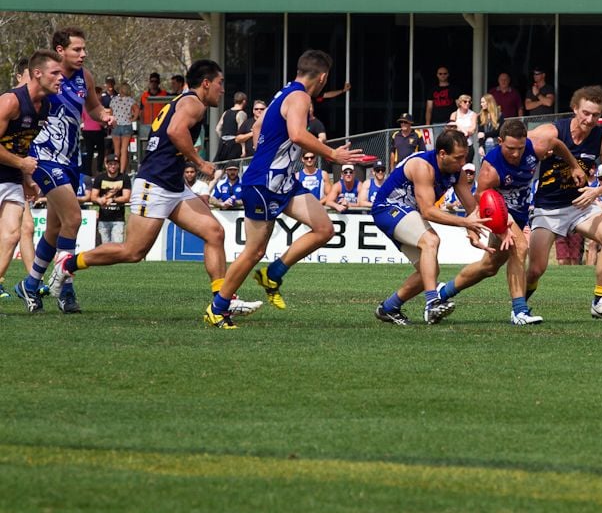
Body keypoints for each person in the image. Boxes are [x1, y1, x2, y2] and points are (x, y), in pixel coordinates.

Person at [47, 59, 261, 321]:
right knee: (133, 252)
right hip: (155, 184)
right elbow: (174, 131)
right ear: (206, 83)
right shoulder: (193, 103)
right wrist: (199, 161)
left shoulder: (187, 102)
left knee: (214, 233)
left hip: (172, 184)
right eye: (220, 83)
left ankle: (222, 300)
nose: (223, 89)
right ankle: (68, 264)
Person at [206, 49, 366, 327]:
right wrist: (332, 155)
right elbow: (297, 134)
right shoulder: (301, 97)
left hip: (283, 182)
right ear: (323, 76)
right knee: (254, 251)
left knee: (324, 229)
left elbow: (258, 125)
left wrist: (266, 149)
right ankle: (217, 308)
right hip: (264, 183)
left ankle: (273, 274)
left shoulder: (284, 93)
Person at [435, 119, 584, 325]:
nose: (515, 154)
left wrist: (574, 166)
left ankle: (442, 292)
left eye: (520, 148)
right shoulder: (490, 170)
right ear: (499, 141)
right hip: (497, 212)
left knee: (489, 267)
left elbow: (557, 144)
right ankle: (519, 311)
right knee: (520, 247)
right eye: (510, 148)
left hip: (520, 212)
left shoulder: (537, 146)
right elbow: (481, 198)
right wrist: (503, 226)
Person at [16, 29, 116, 315]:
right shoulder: (42, 76)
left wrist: (105, 116)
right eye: (77, 50)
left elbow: (94, 109)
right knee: (73, 217)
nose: (83, 54)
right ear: (60, 51)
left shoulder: (85, 78)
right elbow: (20, 105)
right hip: (43, 157)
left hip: (71, 160)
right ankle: (65, 288)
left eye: (84, 49)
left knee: (55, 229)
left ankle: (30, 284)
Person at [371, 129, 491, 325]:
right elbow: (427, 211)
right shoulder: (423, 166)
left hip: (408, 213)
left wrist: (474, 231)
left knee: (429, 272)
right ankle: (432, 304)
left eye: (465, 158)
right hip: (388, 209)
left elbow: (471, 208)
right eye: (458, 158)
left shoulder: (456, 172)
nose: (462, 164)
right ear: (442, 154)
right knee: (431, 240)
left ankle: (388, 308)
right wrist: (465, 223)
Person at [526, 85, 602, 321]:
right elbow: (521, 148)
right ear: (574, 109)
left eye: (596, 115)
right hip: (548, 207)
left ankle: (600, 301)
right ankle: (520, 304)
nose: (590, 120)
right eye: (586, 113)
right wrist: (538, 153)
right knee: (537, 268)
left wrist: (596, 191)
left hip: (581, 205)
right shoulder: (552, 130)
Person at [0, 51, 61, 302]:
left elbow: (20, 144)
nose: (60, 79)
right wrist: (21, 164)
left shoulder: (44, 105)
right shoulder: (11, 101)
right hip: (10, 168)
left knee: (14, 233)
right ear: (37, 74)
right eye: (55, 73)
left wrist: (26, 177)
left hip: (11, 175)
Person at [90, 155, 131, 243]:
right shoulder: (100, 178)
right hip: (103, 218)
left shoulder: (125, 178)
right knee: (104, 247)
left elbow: (127, 197)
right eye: (110, 164)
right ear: (106, 165)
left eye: (115, 164)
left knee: (116, 245)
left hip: (118, 219)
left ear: (118, 165)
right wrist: (99, 200)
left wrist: (113, 200)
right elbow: (93, 196)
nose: (113, 166)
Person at [109, 82, 139, 174]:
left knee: (117, 150)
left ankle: (115, 169)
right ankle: (122, 171)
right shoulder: (130, 100)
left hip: (116, 125)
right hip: (126, 125)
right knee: (124, 150)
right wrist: (133, 118)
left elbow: (110, 113)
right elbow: (137, 110)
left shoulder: (114, 100)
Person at [215, 91, 247, 162]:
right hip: (234, 144)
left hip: (223, 144)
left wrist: (223, 138)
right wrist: (243, 149)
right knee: (234, 167)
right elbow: (241, 132)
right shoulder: (241, 113)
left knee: (221, 167)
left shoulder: (226, 112)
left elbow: (217, 129)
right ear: (244, 101)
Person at [449, 94, 478, 160]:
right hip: (456, 145)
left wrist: (459, 127)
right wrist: (464, 130)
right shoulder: (454, 114)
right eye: (465, 101)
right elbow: (452, 129)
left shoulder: (473, 114)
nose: (467, 103)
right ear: (460, 103)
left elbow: (472, 130)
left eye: (469, 102)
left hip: (468, 145)